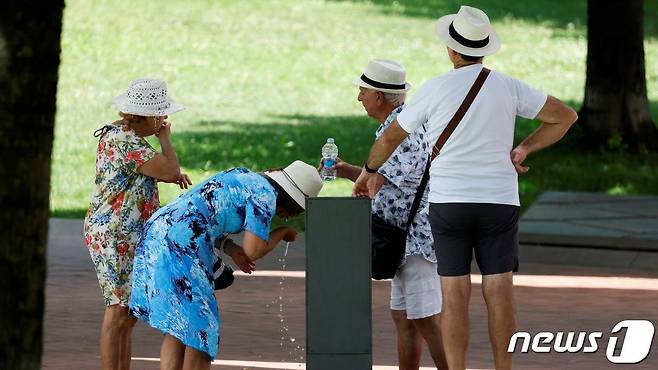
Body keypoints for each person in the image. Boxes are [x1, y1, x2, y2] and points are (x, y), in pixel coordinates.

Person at [353, 6, 578, 370]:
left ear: (451, 50)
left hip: (449, 203)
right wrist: (525, 148)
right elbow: (565, 116)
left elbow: (391, 136)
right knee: (499, 289)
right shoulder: (508, 86)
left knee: (455, 292)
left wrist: (368, 170)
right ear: (483, 48)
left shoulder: (435, 88)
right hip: (499, 200)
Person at [129, 160, 322, 369]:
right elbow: (254, 250)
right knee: (203, 331)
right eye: (298, 210)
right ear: (292, 201)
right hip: (180, 244)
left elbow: (206, 213)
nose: (291, 216)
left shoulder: (245, 176)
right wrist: (281, 233)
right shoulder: (265, 195)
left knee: (179, 325)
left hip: (159, 231)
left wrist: (231, 249)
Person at [323, 59, 446, 369]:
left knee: (426, 318)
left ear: (379, 96)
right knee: (404, 319)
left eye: (363, 91)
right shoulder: (397, 124)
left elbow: (381, 180)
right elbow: (386, 179)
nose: (359, 98)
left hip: (415, 240)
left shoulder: (401, 130)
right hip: (401, 240)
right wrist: (350, 171)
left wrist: (362, 178)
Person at [84, 78, 191, 370]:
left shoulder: (125, 135)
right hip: (116, 233)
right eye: (162, 114)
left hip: (127, 232)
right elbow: (170, 171)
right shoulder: (124, 139)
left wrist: (165, 168)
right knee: (118, 311)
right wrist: (166, 139)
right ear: (152, 115)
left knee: (128, 314)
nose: (165, 119)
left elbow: (157, 172)